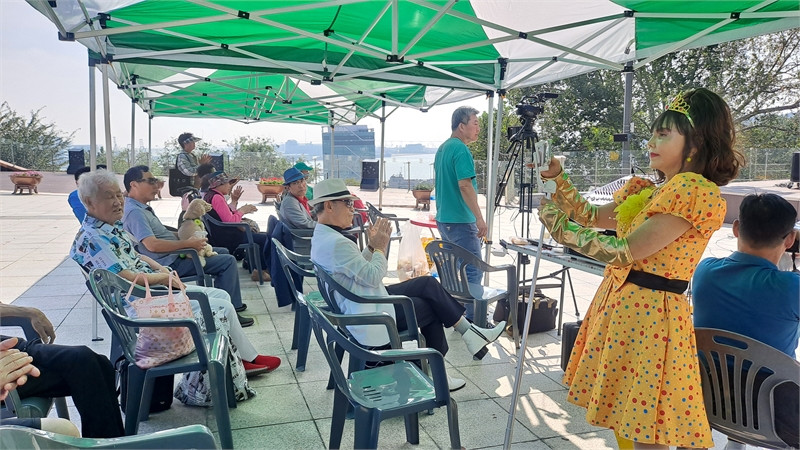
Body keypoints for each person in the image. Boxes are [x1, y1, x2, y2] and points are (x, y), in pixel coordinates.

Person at [538, 88, 744, 449]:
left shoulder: (694, 191)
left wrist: (558, 227)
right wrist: (558, 179)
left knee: (647, 426)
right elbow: (591, 215)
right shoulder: (651, 190)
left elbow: (625, 250)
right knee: (628, 416)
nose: (651, 142)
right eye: (653, 133)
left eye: (663, 133)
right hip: (625, 311)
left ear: (696, 142)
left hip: (651, 318)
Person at [71, 169, 280, 375]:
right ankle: (241, 361)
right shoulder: (95, 238)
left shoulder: (109, 227)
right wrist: (164, 277)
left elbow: (136, 255)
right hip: (142, 304)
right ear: (89, 202)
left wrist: (161, 270)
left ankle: (239, 358)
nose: (118, 202)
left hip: (152, 290)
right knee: (221, 305)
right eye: (109, 197)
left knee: (221, 296)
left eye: (119, 195)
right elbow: (128, 278)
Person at [309, 179, 506, 392]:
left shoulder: (323, 236)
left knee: (427, 283)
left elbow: (355, 269)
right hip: (370, 313)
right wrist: (380, 248)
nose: (353, 209)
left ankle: (469, 334)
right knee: (431, 308)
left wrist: (371, 247)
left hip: (362, 300)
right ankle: (440, 372)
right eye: (348, 203)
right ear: (329, 206)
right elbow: (372, 276)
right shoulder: (337, 243)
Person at [693, 193, 799, 449]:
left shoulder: (705, 271)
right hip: (780, 418)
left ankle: (735, 444)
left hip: (712, 404)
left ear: (736, 228)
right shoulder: (791, 288)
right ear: (790, 239)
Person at [121, 165, 252, 325]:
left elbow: (158, 235)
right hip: (169, 261)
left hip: (173, 254)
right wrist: (187, 243)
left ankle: (224, 304)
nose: (156, 186)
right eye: (151, 181)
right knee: (228, 261)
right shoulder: (136, 213)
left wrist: (185, 234)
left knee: (223, 251)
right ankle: (230, 313)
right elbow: (152, 245)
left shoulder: (139, 208)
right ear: (134, 184)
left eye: (156, 180)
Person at [0, 304, 122, 438]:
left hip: (10, 346)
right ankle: (107, 444)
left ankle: (113, 443)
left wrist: (29, 312)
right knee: (87, 368)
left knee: (96, 363)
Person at [434, 106, 487, 321]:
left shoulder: (443, 148)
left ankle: (455, 316)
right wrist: (479, 218)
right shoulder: (461, 149)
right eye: (475, 124)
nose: (478, 129)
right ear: (461, 126)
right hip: (461, 220)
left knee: (452, 271)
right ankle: (474, 320)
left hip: (444, 219)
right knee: (473, 270)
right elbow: (465, 186)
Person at [202, 171, 269, 281]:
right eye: (228, 183)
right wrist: (242, 211)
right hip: (229, 237)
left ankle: (252, 265)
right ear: (220, 184)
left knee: (261, 236)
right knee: (265, 239)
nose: (230, 186)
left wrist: (234, 201)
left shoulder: (210, 195)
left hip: (221, 234)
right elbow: (230, 221)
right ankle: (260, 271)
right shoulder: (217, 198)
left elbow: (225, 215)